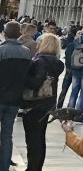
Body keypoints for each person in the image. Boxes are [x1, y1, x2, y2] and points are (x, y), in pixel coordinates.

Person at [0, 21, 43, 171]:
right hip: (15, 99)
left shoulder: (1, 50)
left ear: (5, 34)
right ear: (19, 33)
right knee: (7, 135)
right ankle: (4, 166)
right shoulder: (26, 52)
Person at [22, 31, 66, 171]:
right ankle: (36, 167)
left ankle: (33, 168)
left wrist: (24, 75)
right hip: (48, 104)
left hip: (34, 104)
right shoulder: (58, 63)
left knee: (32, 139)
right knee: (40, 137)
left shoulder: (41, 61)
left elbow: (35, 83)